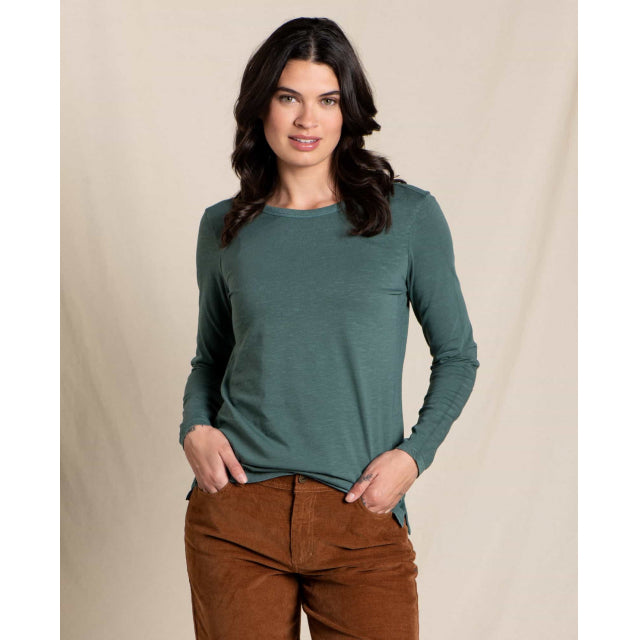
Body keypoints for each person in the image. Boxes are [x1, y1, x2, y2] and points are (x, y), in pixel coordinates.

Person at [179, 16, 479, 640]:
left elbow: (457, 356)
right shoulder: (224, 227)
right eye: (289, 97)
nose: (306, 119)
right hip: (237, 514)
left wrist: (412, 457)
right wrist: (194, 428)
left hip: (358, 511)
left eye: (327, 100)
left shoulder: (407, 217)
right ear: (261, 105)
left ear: (348, 111)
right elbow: (211, 357)